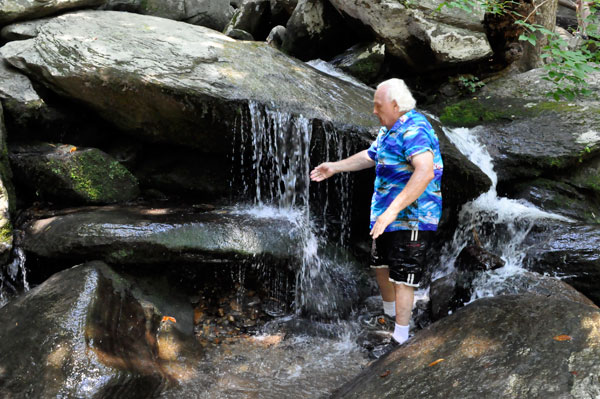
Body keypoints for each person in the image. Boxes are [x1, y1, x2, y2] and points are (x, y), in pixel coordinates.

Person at [310, 78, 443, 346]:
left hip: (412, 216)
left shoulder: (415, 128)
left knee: (404, 275)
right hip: (385, 216)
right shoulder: (389, 129)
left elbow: (425, 171)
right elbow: (371, 156)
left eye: (377, 105)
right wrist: (335, 166)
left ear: (395, 105)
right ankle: (389, 318)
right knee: (381, 266)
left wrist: (393, 211)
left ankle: (401, 338)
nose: (373, 110)